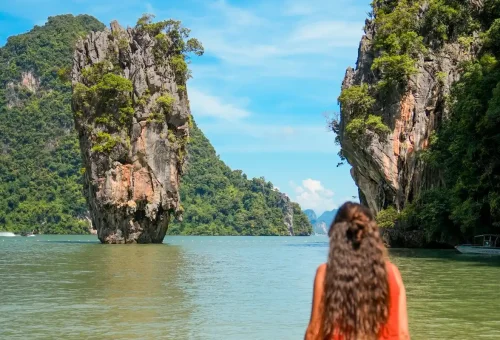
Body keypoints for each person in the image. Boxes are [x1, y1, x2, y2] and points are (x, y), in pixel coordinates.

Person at [305, 202, 409, 340]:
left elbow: (314, 332)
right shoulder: (392, 273)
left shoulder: (325, 273)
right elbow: (403, 334)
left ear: (335, 234)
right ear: (372, 234)